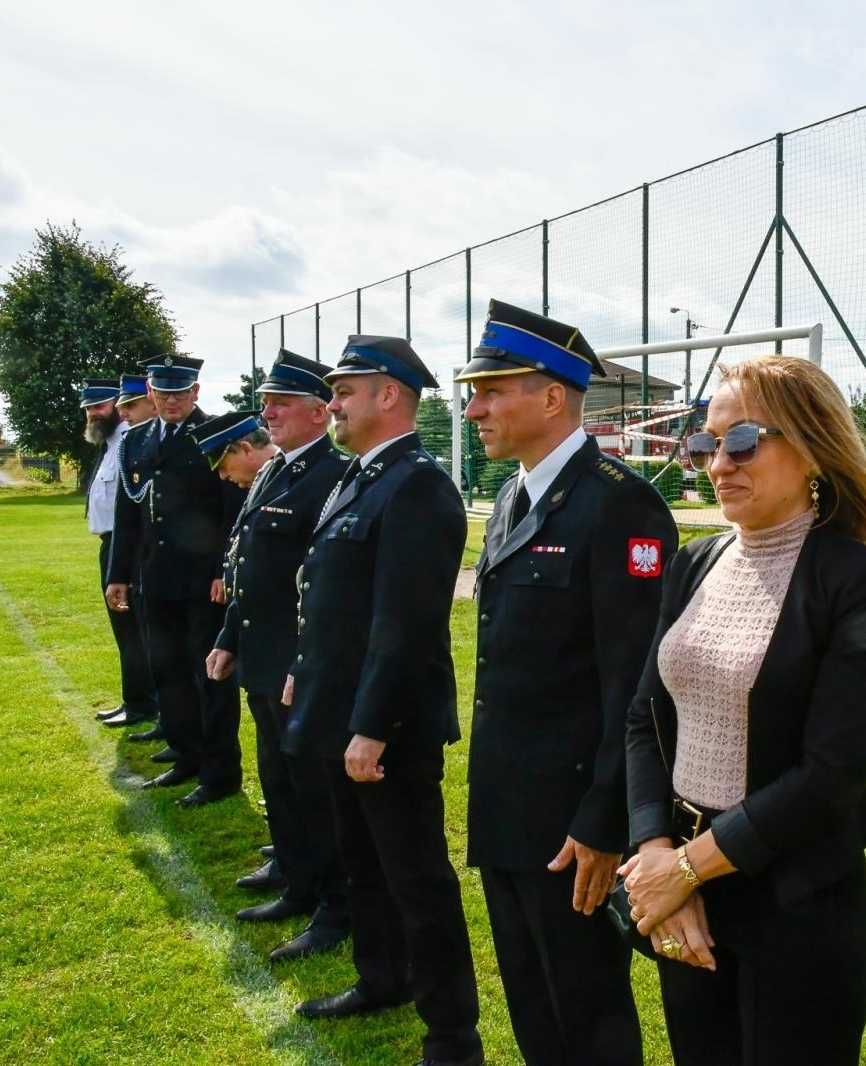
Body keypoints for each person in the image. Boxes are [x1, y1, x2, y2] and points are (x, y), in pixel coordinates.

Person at [620, 354, 866, 1065]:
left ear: (812, 449)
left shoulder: (856, 580)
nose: (719, 464)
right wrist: (658, 854)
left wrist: (688, 867)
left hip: (796, 898)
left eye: (743, 441)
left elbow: (832, 772)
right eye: (706, 444)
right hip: (687, 889)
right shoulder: (693, 562)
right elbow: (645, 718)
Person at [457, 300, 675, 1066]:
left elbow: (640, 686)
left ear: (552, 397)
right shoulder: (511, 497)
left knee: (588, 1015)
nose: (473, 410)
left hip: (573, 824)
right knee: (533, 1003)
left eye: (491, 392)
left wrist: (606, 820)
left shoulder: (619, 502)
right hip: (507, 805)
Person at [282, 335, 482, 1066]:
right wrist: (307, 671)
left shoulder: (418, 485)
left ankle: (452, 1037)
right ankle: (382, 979)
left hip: (386, 728)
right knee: (363, 866)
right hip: (343, 715)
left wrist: (372, 726)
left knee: (417, 880)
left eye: (344, 391)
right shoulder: (362, 476)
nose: (332, 403)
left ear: (389, 395)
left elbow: (407, 624)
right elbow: (335, 598)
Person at [204, 353, 352, 963]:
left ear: (320, 413)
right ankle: (296, 876)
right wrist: (227, 637)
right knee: (280, 780)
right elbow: (247, 564)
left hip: (297, 666)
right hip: (262, 658)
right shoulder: (274, 471)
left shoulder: (334, 476)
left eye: (282, 402)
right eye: (266, 403)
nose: (268, 412)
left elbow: (327, 585)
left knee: (315, 789)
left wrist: (303, 664)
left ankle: (336, 905)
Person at [105, 355, 246, 807]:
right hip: (154, 576)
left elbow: (231, 510)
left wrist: (225, 570)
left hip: (204, 580)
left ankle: (220, 771)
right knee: (167, 671)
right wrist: (119, 574)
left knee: (210, 676)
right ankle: (187, 756)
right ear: (150, 393)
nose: (171, 401)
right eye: (163, 392)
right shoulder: (137, 439)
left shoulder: (216, 433)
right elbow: (128, 511)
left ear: (195, 392)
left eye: (180, 393)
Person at [82, 379, 160, 732]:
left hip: (128, 545)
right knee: (125, 630)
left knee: (135, 630)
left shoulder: (131, 441)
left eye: (99, 406)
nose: (93, 414)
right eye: (88, 408)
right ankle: (136, 699)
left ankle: (144, 703)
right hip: (110, 544)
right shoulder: (110, 444)